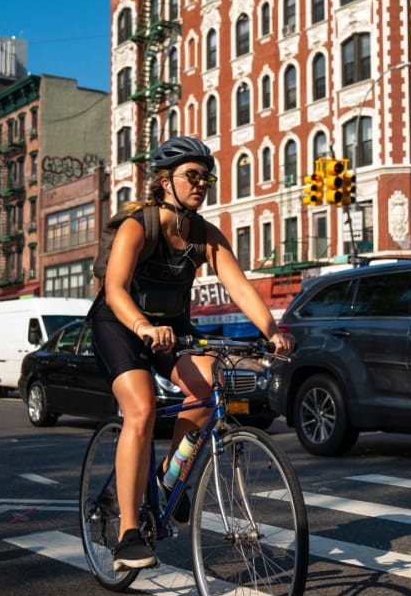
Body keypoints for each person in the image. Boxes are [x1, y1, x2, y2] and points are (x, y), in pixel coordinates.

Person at [89, 135, 295, 570]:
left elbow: (239, 286)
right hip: (120, 321)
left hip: (172, 325)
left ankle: (169, 478)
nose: (202, 184)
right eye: (192, 176)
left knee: (209, 385)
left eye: (207, 178)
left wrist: (272, 330)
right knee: (141, 409)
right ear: (165, 181)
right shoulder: (137, 226)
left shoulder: (204, 234)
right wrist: (144, 326)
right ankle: (129, 532)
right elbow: (115, 288)